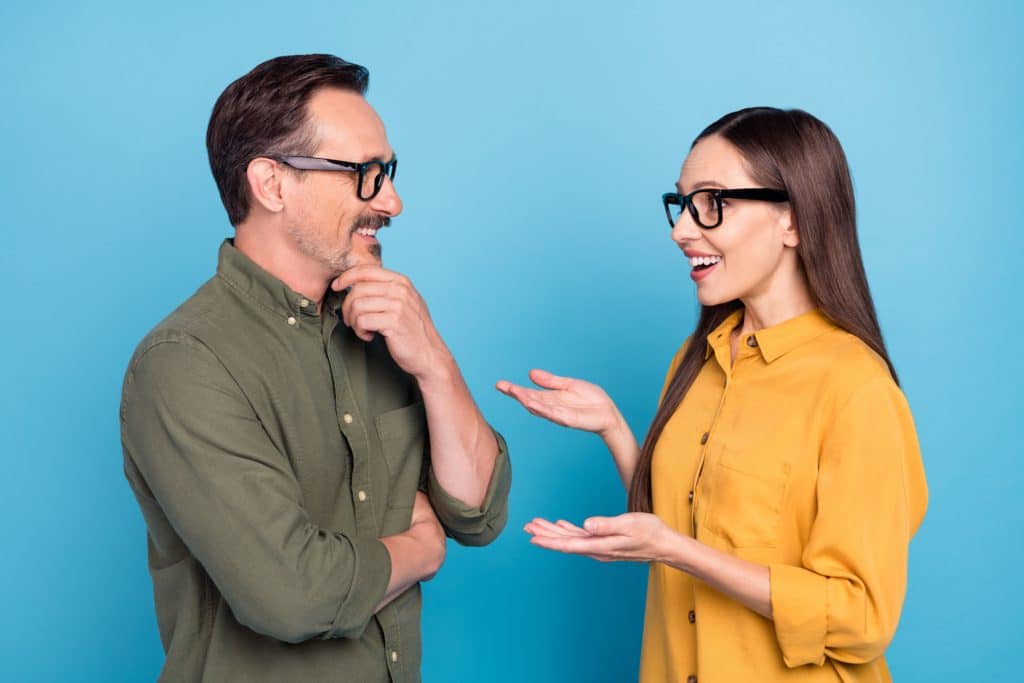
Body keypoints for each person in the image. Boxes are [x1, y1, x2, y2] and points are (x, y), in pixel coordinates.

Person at [497, 107, 927, 682]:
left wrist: (676, 550)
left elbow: (861, 617)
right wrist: (614, 428)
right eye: (682, 203)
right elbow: (675, 524)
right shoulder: (696, 359)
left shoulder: (855, 388)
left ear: (792, 221)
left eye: (712, 203)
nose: (682, 230)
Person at [120, 54, 511, 683]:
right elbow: (292, 594)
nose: (393, 200)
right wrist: (417, 549)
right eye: (364, 174)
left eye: (389, 172)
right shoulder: (185, 363)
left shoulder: (387, 324)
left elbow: (478, 513)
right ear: (271, 184)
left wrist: (435, 361)